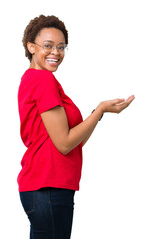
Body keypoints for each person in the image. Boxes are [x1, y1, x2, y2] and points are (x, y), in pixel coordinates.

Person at [17, 14, 135, 239]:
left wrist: (96, 115)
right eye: (48, 46)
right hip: (48, 186)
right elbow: (64, 143)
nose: (56, 52)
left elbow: (72, 142)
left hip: (45, 186)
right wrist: (100, 109)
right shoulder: (43, 80)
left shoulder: (33, 79)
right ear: (31, 47)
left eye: (61, 47)